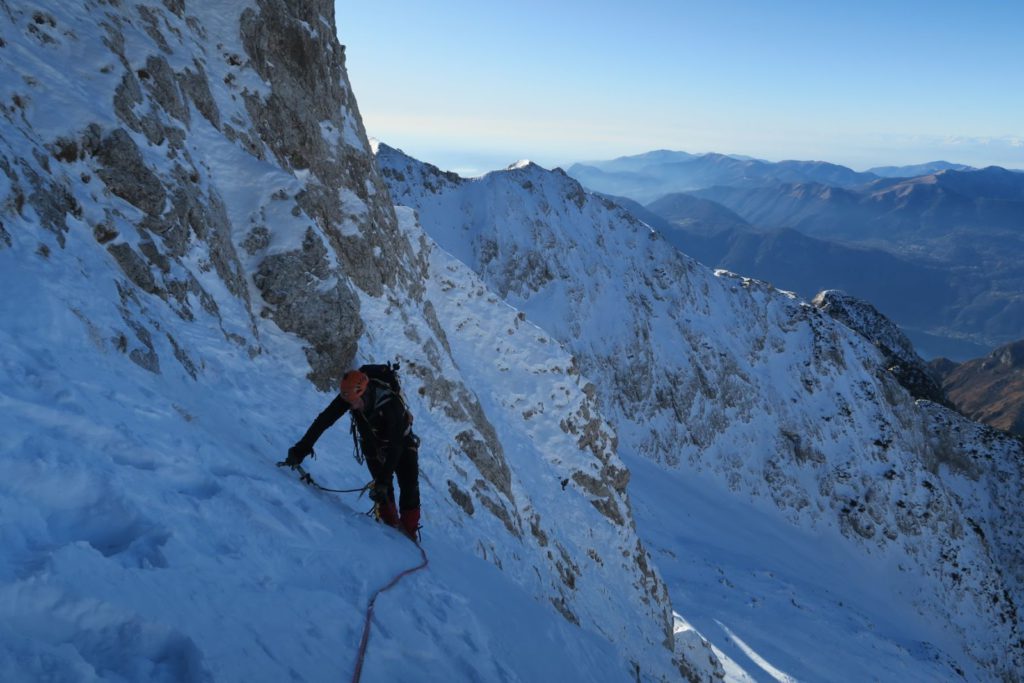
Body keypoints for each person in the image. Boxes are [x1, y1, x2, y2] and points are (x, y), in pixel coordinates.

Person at [285, 368, 421, 540]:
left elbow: (396, 448)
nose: (351, 406)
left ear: (364, 393)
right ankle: (390, 526)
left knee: (408, 485)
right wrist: (301, 448)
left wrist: (384, 480)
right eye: (348, 401)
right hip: (372, 443)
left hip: (401, 442)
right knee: (383, 490)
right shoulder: (349, 395)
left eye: (354, 401)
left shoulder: (390, 405)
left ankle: (409, 531)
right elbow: (324, 420)